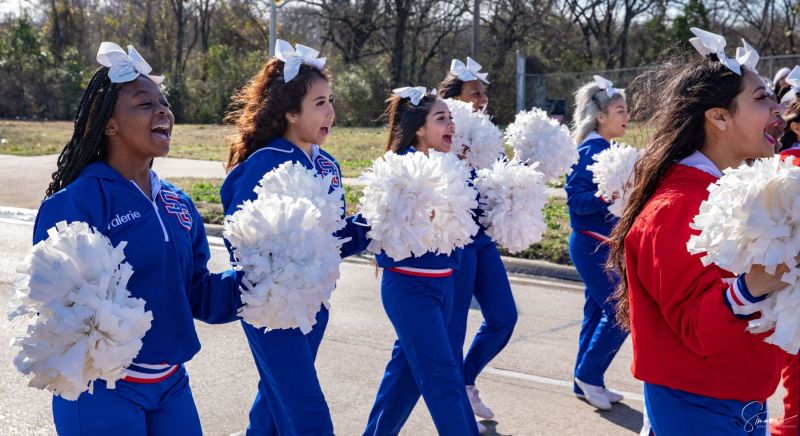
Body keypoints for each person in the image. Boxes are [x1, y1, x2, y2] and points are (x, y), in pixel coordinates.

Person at [35, 42, 243, 435]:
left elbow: (197, 292)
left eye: (164, 103)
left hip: (170, 384)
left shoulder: (177, 203)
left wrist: (260, 283)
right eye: (144, 104)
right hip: (102, 390)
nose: (163, 111)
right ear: (109, 124)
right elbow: (59, 314)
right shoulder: (77, 203)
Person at [607, 28, 785, 434]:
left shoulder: (729, 188)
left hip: (739, 397)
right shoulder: (676, 207)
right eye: (761, 99)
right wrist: (756, 283)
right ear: (718, 117)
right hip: (698, 402)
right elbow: (697, 328)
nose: (777, 109)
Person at [220, 40, 369, 436]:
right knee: (309, 419)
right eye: (320, 103)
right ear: (289, 112)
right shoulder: (263, 165)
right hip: (274, 312)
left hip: (314, 308)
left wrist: (370, 226)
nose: (332, 113)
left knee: (273, 408)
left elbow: (333, 239)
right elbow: (240, 240)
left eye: (330, 101)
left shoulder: (328, 166)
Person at [363, 88, 479, 436]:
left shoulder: (448, 168)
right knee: (444, 377)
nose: (451, 125)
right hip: (410, 287)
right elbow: (381, 234)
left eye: (451, 118)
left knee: (406, 378)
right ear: (419, 129)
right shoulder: (396, 171)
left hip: (444, 284)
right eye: (441, 118)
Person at [437, 57, 517, 430]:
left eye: (484, 92)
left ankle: (466, 381)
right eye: (475, 93)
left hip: (482, 240)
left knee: (503, 317)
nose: (482, 99)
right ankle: (455, 408)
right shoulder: (441, 137)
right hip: (456, 244)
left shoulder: (487, 136)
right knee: (452, 331)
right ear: (453, 99)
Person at [566, 74, 630, 411]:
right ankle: (589, 376)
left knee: (596, 312)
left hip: (604, 244)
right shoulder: (592, 148)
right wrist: (605, 197)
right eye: (620, 110)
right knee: (623, 311)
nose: (626, 116)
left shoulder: (607, 148)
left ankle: (585, 381)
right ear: (600, 116)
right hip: (591, 244)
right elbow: (575, 200)